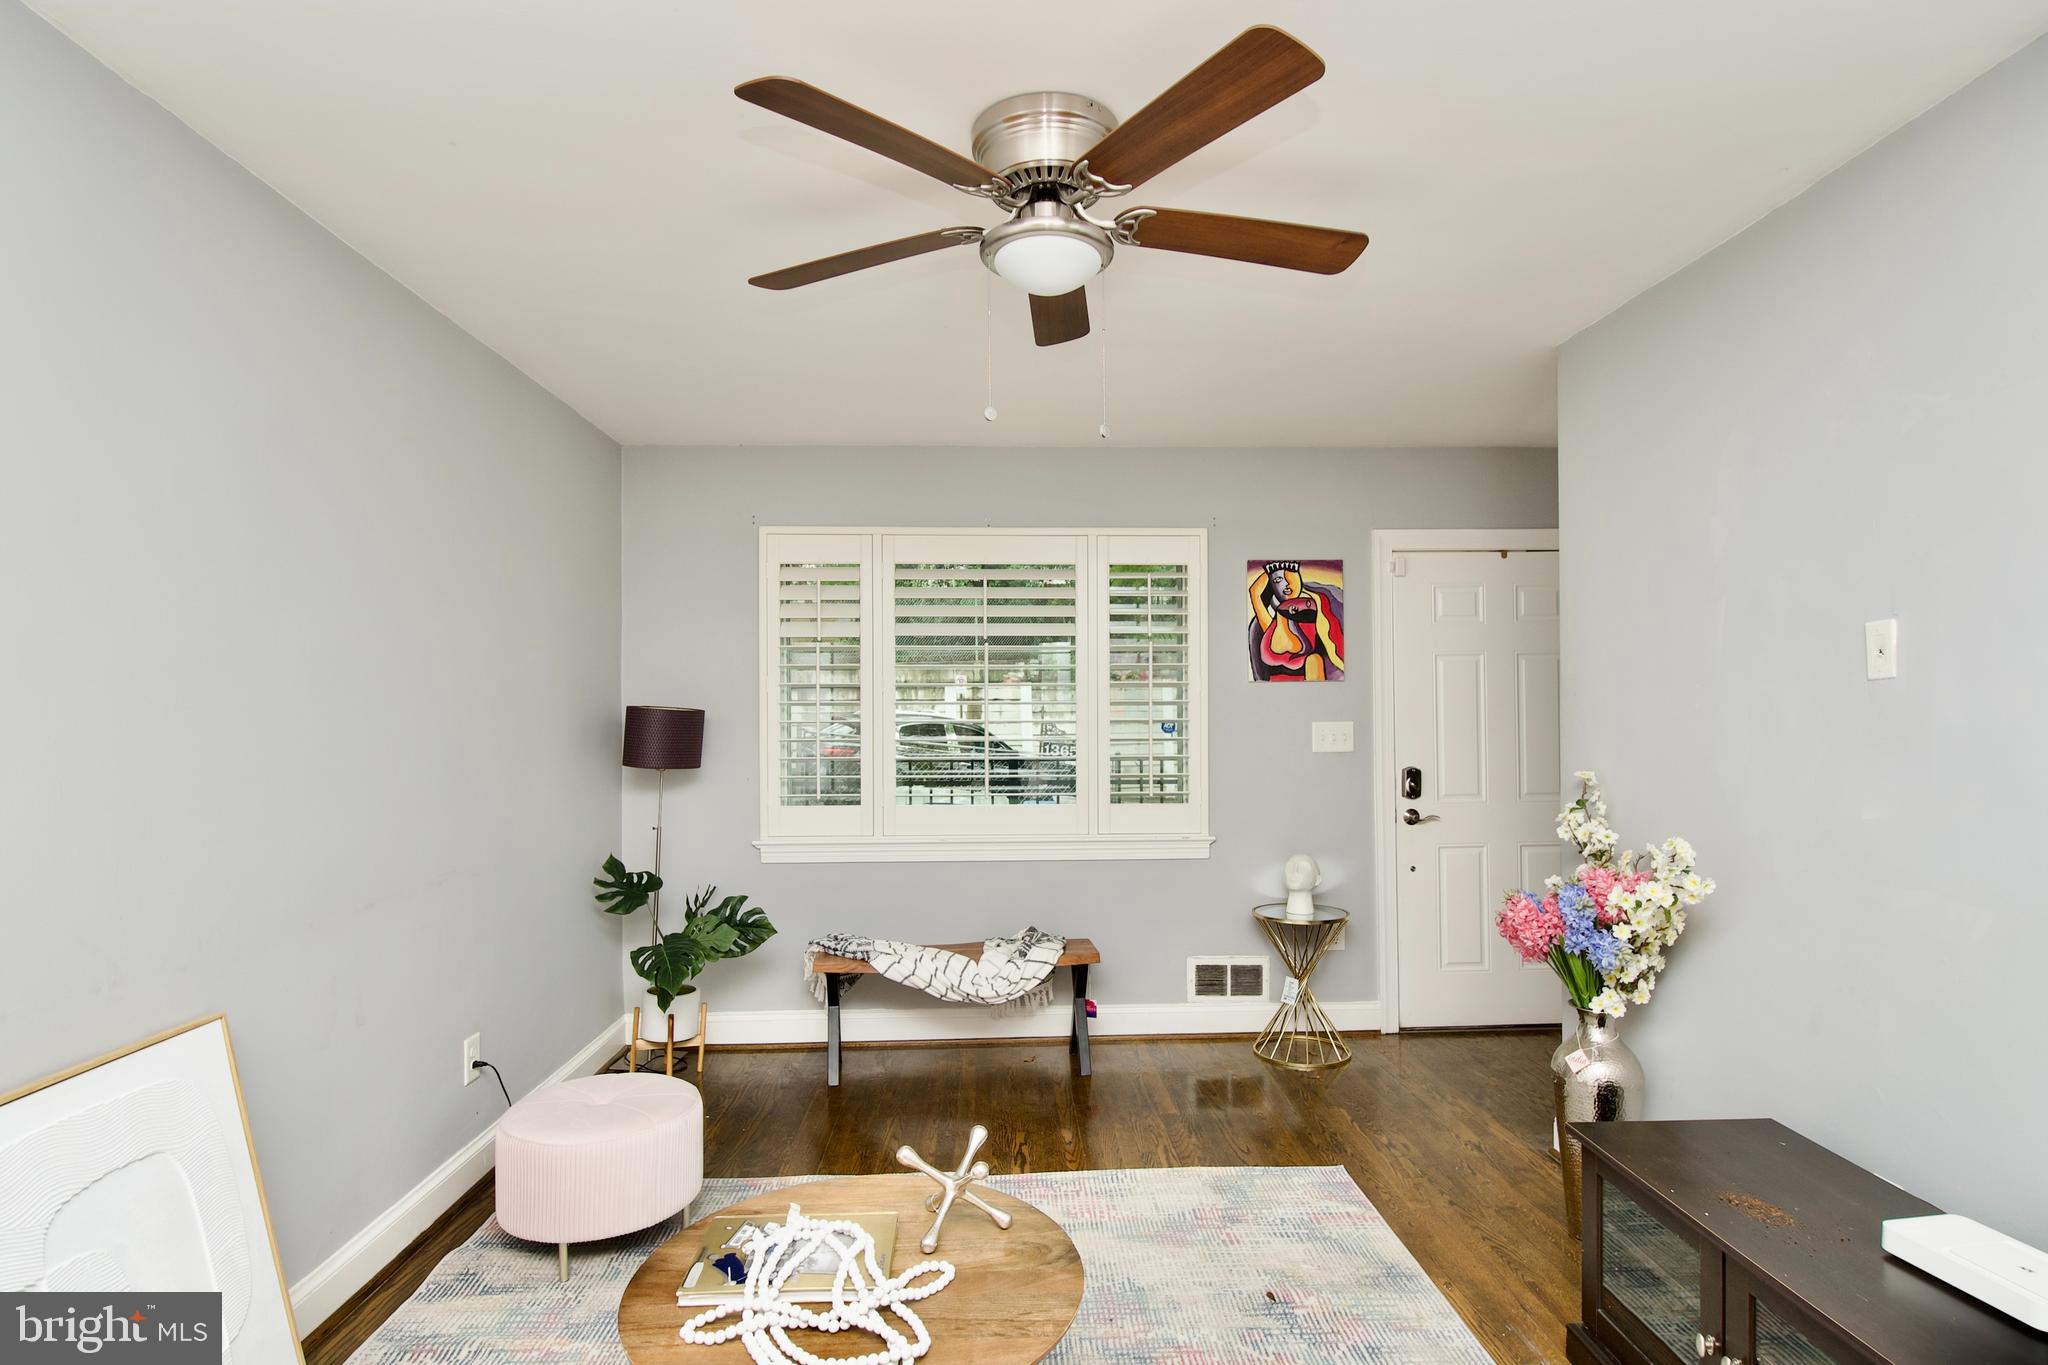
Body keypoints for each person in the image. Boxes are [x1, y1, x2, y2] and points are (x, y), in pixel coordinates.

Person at [1249, 561, 1345, 681]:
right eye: (1278, 580)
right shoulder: (1269, 625)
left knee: (1314, 660)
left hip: (1308, 688)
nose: (1286, 583)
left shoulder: (1315, 618)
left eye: (1290, 575)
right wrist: (1271, 570)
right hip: (1272, 696)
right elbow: (1254, 592)